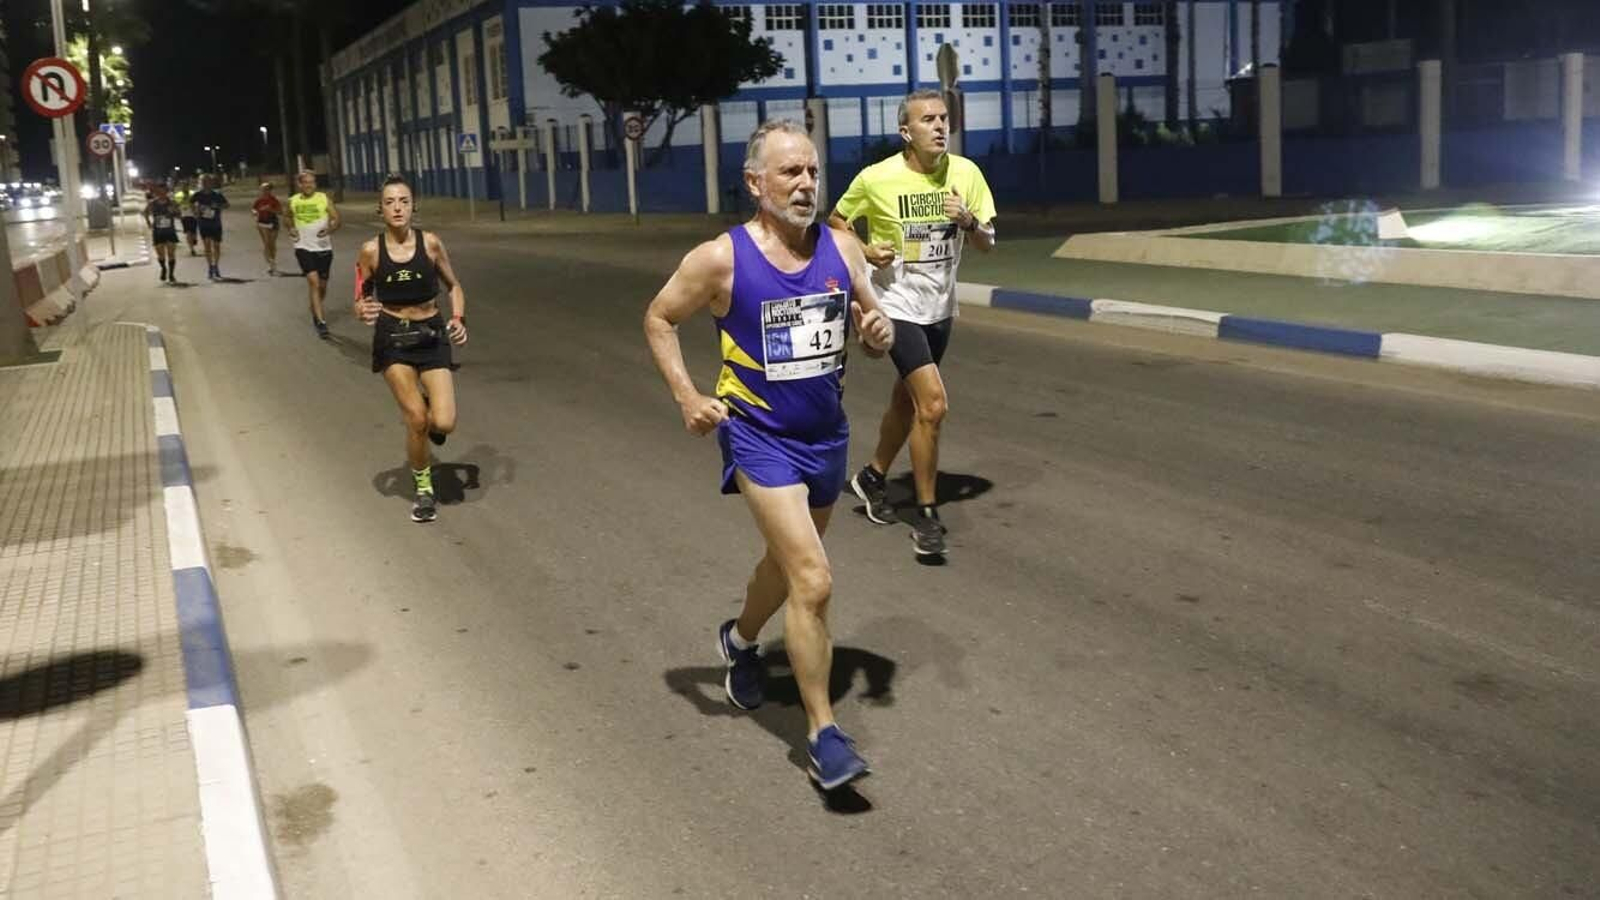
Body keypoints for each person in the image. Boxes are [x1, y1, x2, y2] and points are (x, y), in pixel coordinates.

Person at [643, 120, 895, 791]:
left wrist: (876, 330)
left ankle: (739, 640)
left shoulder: (842, 248)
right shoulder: (720, 259)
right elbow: (659, 318)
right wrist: (687, 396)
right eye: (791, 172)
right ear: (756, 183)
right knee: (812, 577)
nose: (807, 183)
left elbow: (876, 329)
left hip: (826, 437)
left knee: (784, 569)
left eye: (813, 170)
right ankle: (823, 735)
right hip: (760, 436)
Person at [828, 89, 997, 558]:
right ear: (907, 131)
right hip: (894, 304)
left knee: (908, 402)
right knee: (934, 404)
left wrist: (966, 221)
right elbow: (836, 221)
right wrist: (863, 251)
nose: (940, 126)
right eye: (928, 120)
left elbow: (987, 243)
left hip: (940, 309)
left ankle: (872, 477)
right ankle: (926, 516)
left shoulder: (966, 174)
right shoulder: (876, 177)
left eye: (944, 118)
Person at [354, 175, 467, 524]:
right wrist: (362, 308)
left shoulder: (431, 244)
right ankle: (423, 489)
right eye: (390, 202)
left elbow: (454, 285)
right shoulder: (370, 251)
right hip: (393, 336)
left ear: (413, 206)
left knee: (443, 422)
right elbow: (360, 294)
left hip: (431, 333)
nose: (398, 207)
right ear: (381, 209)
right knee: (416, 419)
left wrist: (459, 317)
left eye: (403, 200)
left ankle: (430, 412)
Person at [288, 170, 341, 338]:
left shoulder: (323, 199)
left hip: (323, 248)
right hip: (303, 247)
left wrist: (330, 228)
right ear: (300, 184)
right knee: (314, 282)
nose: (309, 185)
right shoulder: (293, 201)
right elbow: (286, 218)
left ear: (315, 184)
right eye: (305, 182)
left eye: (312, 182)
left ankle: (315, 308)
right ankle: (321, 322)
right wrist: (291, 228)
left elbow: (336, 219)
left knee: (322, 286)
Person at [191, 175, 230, 280]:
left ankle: (216, 266)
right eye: (203, 181)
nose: (206, 183)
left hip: (216, 223)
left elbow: (227, 205)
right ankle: (210, 267)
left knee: (216, 246)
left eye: (208, 181)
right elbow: (191, 204)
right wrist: (196, 212)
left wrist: (217, 206)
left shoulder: (217, 194)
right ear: (201, 183)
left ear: (211, 183)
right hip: (203, 223)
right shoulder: (197, 195)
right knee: (207, 246)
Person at [142, 182, 182, 284]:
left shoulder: (172, 203)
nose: (161, 194)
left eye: (164, 191)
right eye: (159, 192)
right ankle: (163, 268)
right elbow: (145, 212)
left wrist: (174, 211)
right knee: (161, 255)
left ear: (167, 192)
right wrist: (149, 223)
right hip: (158, 232)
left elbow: (179, 216)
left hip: (170, 231)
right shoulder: (152, 203)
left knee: (171, 254)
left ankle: (171, 274)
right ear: (156, 192)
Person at [252, 182, 283, 275]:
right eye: (262, 189)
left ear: (270, 190)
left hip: (273, 223)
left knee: (272, 244)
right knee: (267, 243)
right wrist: (255, 212)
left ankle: (272, 261)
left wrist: (270, 210)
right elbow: (254, 209)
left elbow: (280, 212)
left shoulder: (274, 200)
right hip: (262, 223)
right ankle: (271, 264)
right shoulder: (259, 200)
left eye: (266, 189)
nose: (264, 191)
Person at [174, 180, 199, 256]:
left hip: (193, 215)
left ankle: (194, 239)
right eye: (183, 186)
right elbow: (175, 206)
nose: (185, 187)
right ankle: (192, 249)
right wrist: (178, 214)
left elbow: (197, 203)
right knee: (188, 232)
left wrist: (197, 212)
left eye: (186, 186)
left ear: (188, 186)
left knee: (194, 232)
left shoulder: (193, 194)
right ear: (181, 187)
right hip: (184, 215)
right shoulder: (178, 195)